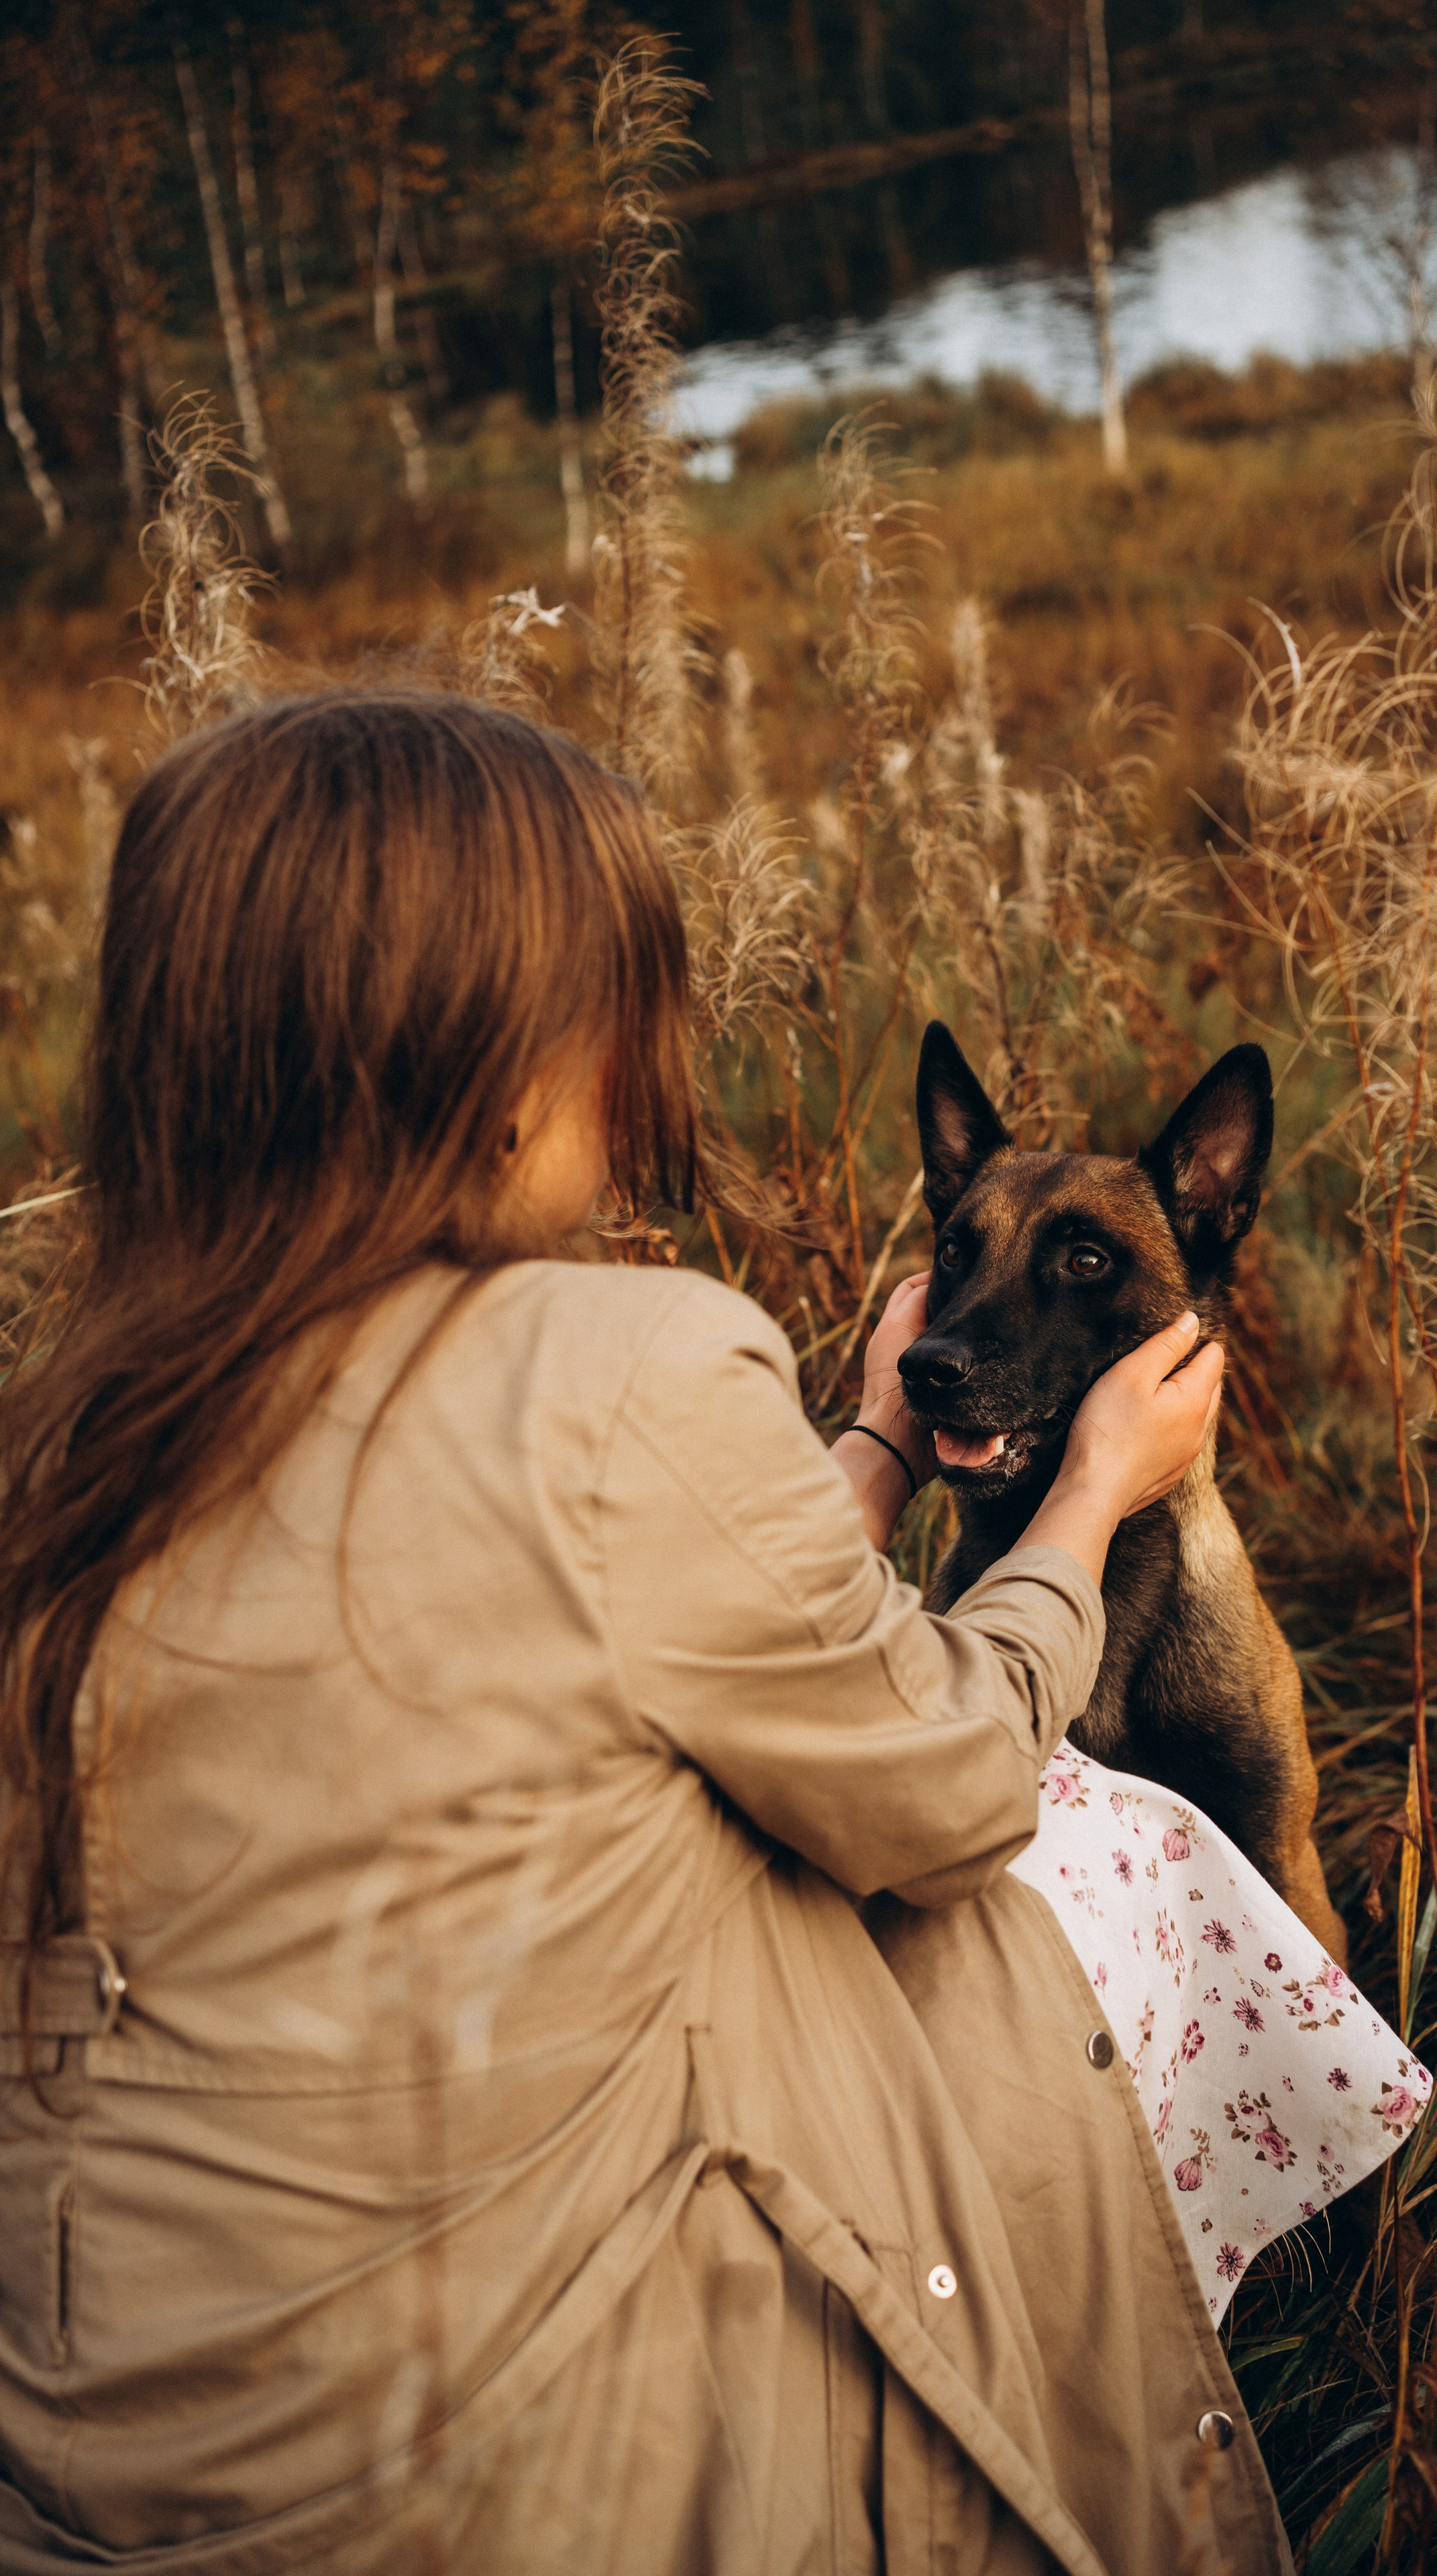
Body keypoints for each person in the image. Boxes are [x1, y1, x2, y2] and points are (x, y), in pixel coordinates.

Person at [0, 694, 1290, 2575]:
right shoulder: (623, 1360)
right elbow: (939, 1780)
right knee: (1072, 1880)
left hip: (96, 2456)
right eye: (625, 1008)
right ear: (493, 1056)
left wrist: (865, 1435)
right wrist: (1095, 1492)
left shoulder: (61, 1433)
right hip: (504, 2457)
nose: (648, 1070)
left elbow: (639, 1632)